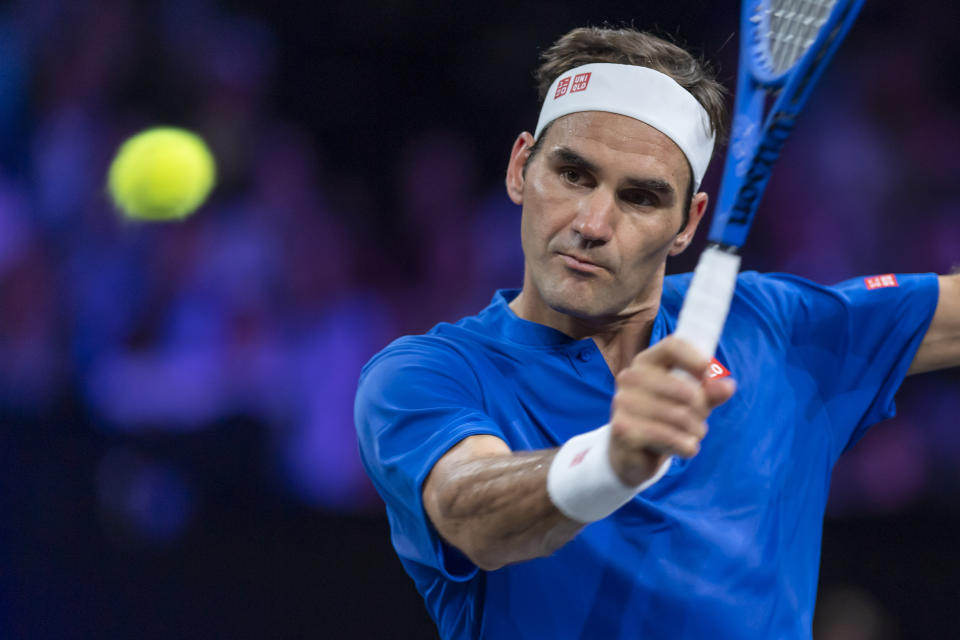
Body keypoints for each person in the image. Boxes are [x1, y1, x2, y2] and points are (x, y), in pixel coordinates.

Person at [354, 26, 960, 639]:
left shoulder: (771, 328)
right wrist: (610, 462)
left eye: (640, 197)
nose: (592, 223)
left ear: (687, 223)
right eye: (573, 174)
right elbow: (470, 510)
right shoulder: (425, 373)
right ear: (520, 168)